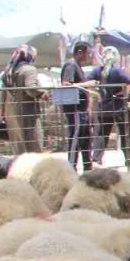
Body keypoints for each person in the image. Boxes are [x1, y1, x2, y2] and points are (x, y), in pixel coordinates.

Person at [89, 46, 130, 171]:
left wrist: (97, 94)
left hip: (104, 107)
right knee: (124, 134)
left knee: (101, 135)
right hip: (119, 106)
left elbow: (88, 83)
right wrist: (123, 92)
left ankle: (96, 160)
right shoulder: (118, 71)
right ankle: (129, 159)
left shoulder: (97, 71)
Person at [1, 44, 45, 155]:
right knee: (33, 144)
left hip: (11, 112)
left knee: (18, 147)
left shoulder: (9, 72)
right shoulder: (29, 70)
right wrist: (43, 93)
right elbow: (31, 89)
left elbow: (2, 94)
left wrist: (1, 111)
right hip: (27, 112)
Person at [59, 41, 96, 170]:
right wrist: (86, 85)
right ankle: (71, 167)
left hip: (82, 110)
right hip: (75, 109)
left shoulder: (78, 66)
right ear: (80, 52)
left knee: (85, 139)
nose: (89, 56)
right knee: (75, 138)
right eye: (88, 53)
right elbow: (66, 84)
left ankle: (88, 167)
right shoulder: (71, 65)